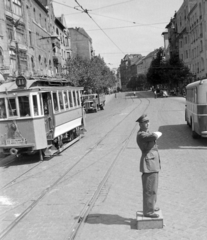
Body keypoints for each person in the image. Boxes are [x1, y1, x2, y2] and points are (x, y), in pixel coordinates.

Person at [136, 114, 162, 218]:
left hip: (153, 163)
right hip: (148, 164)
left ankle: (151, 206)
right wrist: (156, 133)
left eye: (148, 122)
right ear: (140, 124)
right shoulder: (141, 135)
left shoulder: (146, 133)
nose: (147, 124)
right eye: (145, 122)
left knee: (154, 188)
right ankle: (148, 211)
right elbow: (154, 136)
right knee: (149, 189)